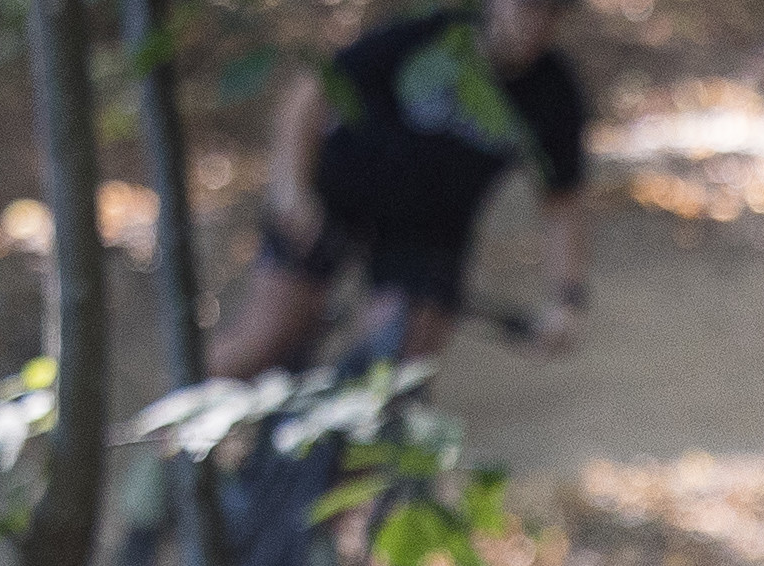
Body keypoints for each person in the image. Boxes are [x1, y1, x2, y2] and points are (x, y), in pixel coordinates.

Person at [204, 0, 596, 378]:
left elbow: (562, 200)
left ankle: (335, 435)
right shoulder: (429, 36)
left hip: (429, 232)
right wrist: (291, 189)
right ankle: (174, 433)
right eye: (529, 5)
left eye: (556, 9)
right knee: (264, 339)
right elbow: (312, 90)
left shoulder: (554, 92)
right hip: (335, 197)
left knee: (392, 363)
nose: (539, 20)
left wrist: (567, 298)